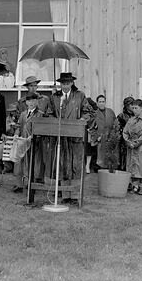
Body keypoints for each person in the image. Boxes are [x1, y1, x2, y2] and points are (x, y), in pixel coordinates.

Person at [47, 72, 94, 204]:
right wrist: (54, 122)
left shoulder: (80, 96)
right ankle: (65, 194)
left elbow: (88, 112)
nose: (65, 85)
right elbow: (49, 113)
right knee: (62, 165)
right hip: (60, 137)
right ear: (60, 84)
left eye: (68, 83)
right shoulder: (55, 97)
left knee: (75, 165)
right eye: (63, 83)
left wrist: (81, 120)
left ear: (72, 83)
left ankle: (75, 195)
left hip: (75, 137)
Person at [16, 75, 51, 180]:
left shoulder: (45, 99)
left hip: (40, 133)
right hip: (25, 133)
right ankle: (23, 180)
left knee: (39, 157)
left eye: (35, 86)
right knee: (23, 157)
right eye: (31, 86)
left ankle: (38, 179)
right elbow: (20, 118)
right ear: (27, 87)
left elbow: (48, 114)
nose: (33, 88)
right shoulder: (21, 101)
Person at [12, 93, 41, 193]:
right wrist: (16, 134)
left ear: (37, 102)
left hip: (34, 143)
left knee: (32, 163)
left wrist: (33, 136)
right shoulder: (23, 114)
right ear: (26, 102)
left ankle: (31, 185)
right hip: (22, 142)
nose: (31, 103)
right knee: (19, 162)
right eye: (29, 101)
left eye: (34, 101)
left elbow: (42, 129)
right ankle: (19, 184)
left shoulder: (40, 114)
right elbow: (18, 126)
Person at [123, 99, 142, 195]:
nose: (134, 110)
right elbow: (125, 132)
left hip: (141, 147)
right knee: (133, 166)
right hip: (131, 146)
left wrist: (135, 143)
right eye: (133, 108)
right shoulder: (131, 120)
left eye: (136, 108)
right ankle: (134, 185)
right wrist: (128, 142)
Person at [93, 95, 118, 171]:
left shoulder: (110, 112)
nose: (101, 103)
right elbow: (91, 127)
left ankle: (110, 170)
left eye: (103, 102)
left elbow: (115, 123)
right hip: (101, 138)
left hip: (111, 138)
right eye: (100, 102)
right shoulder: (94, 114)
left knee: (111, 156)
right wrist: (97, 137)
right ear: (97, 103)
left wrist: (114, 135)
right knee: (101, 157)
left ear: (105, 102)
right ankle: (102, 172)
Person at [116, 96, 135, 171]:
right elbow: (116, 128)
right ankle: (123, 177)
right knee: (123, 159)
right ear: (126, 106)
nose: (133, 106)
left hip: (135, 141)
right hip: (124, 142)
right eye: (131, 104)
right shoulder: (121, 116)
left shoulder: (136, 115)